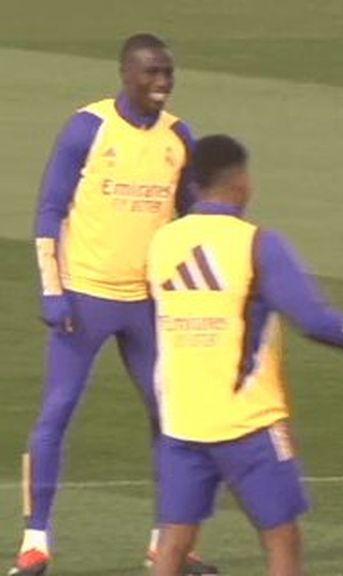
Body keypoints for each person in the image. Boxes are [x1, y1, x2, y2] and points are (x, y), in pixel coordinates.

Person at [149, 134, 343, 576]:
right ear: (242, 182)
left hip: (181, 423)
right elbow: (319, 322)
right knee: (281, 538)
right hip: (246, 423)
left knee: (174, 541)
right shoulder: (258, 245)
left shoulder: (161, 244)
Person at [11, 33, 219, 576]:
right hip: (85, 297)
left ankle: (166, 545)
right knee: (57, 412)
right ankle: (35, 541)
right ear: (126, 74)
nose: (162, 84)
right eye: (152, 73)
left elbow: (194, 222)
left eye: (168, 74)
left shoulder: (179, 137)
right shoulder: (89, 127)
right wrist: (52, 291)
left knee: (172, 419)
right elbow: (48, 211)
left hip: (148, 305)